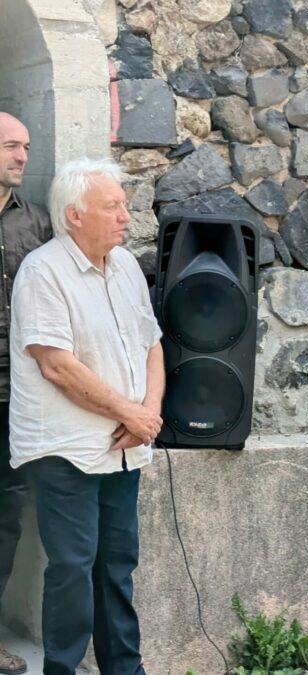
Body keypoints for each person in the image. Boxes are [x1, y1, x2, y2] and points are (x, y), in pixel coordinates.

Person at [9, 158, 163, 675]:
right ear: (75, 215)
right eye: (112, 206)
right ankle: (63, 670)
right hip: (65, 447)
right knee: (73, 568)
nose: (126, 216)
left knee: (117, 565)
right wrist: (130, 413)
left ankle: (126, 670)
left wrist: (148, 413)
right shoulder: (43, 271)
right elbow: (56, 364)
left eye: (124, 205)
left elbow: (152, 342)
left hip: (124, 444)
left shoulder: (125, 266)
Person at [0, 111, 52, 675]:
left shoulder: (37, 222)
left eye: (27, 147)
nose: (22, 157)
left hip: (15, 397)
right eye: (11, 146)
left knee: (5, 515)